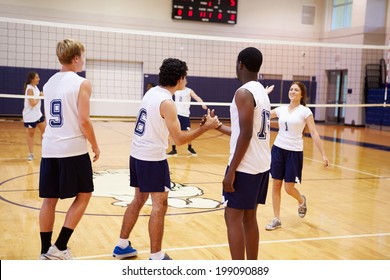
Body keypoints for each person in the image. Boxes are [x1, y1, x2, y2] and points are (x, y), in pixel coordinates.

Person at [112, 58, 219, 260]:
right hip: (151, 158)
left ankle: (122, 245)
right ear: (179, 79)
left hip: (136, 154)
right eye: (185, 77)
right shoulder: (167, 103)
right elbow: (178, 139)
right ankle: (157, 257)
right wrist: (206, 128)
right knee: (160, 204)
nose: (186, 81)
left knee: (139, 199)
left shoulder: (151, 93)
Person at [39, 39, 100, 260]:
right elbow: (84, 121)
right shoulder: (82, 83)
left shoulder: (47, 83)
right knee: (84, 194)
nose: (83, 60)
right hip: (72, 149)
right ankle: (60, 246)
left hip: (50, 148)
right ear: (75, 58)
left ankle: (45, 251)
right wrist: (94, 144)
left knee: (49, 200)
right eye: (82, 56)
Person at [212, 47, 271, 260]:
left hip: (245, 166)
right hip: (262, 164)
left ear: (241, 64)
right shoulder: (262, 92)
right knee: (249, 218)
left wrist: (231, 171)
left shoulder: (244, 92)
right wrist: (217, 127)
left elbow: (246, 135)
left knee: (232, 217)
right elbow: (246, 132)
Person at [265, 81, 329, 231]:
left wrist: (323, 154)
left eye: (296, 90)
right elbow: (264, 111)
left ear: (301, 94)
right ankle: (276, 219)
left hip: (294, 152)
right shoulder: (281, 110)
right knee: (276, 184)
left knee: (288, 188)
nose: (292, 91)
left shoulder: (305, 112)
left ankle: (301, 200)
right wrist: (264, 94)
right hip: (278, 149)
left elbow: (314, 132)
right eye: (291, 89)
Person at [167, 86, 208, 156]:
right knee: (172, 131)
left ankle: (189, 147)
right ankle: (173, 150)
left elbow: (197, 97)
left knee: (187, 133)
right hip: (176, 113)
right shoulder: (175, 90)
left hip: (185, 115)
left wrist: (202, 103)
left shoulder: (189, 91)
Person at [22, 71, 46, 161]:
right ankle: (31, 154)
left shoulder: (35, 87)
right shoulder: (30, 89)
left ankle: (45, 152)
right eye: (37, 77)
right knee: (31, 134)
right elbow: (32, 103)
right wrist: (40, 96)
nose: (39, 79)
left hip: (38, 114)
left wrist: (41, 96)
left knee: (45, 133)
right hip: (30, 116)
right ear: (32, 79)